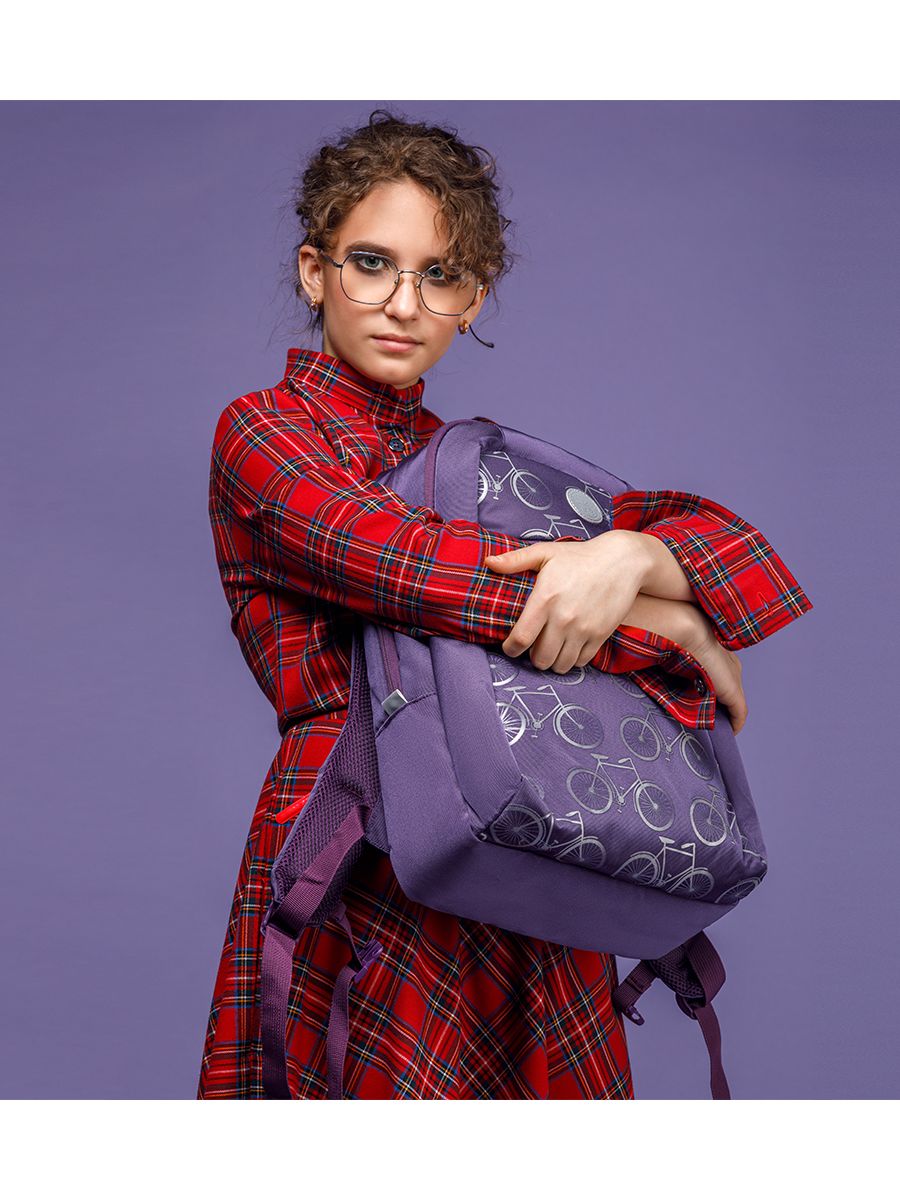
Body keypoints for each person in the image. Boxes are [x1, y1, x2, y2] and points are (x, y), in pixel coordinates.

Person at [196, 109, 809, 1100]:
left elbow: (740, 553)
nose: (404, 303)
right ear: (315, 272)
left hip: (533, 841)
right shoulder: (265, 434)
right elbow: (412, 569)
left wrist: (637, 554)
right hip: (361, 852)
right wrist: (668, 621)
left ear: (473, 297)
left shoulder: (481, 464)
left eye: (440, 275)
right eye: (371, 264)